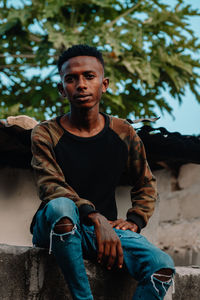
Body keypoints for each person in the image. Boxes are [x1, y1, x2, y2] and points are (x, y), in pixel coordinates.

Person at [31, 44, 175, 300]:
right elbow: (51, 186)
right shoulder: (45, 133)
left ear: (104, 84)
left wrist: (136, 220)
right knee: (62, 206)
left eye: (89, 76)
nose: (81, 84)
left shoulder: (123, 132)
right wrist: (95, 216)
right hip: (57, 226)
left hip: (102, 233)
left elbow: (145, 183)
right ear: (62, 90)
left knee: (161, 265)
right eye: (71, 79)